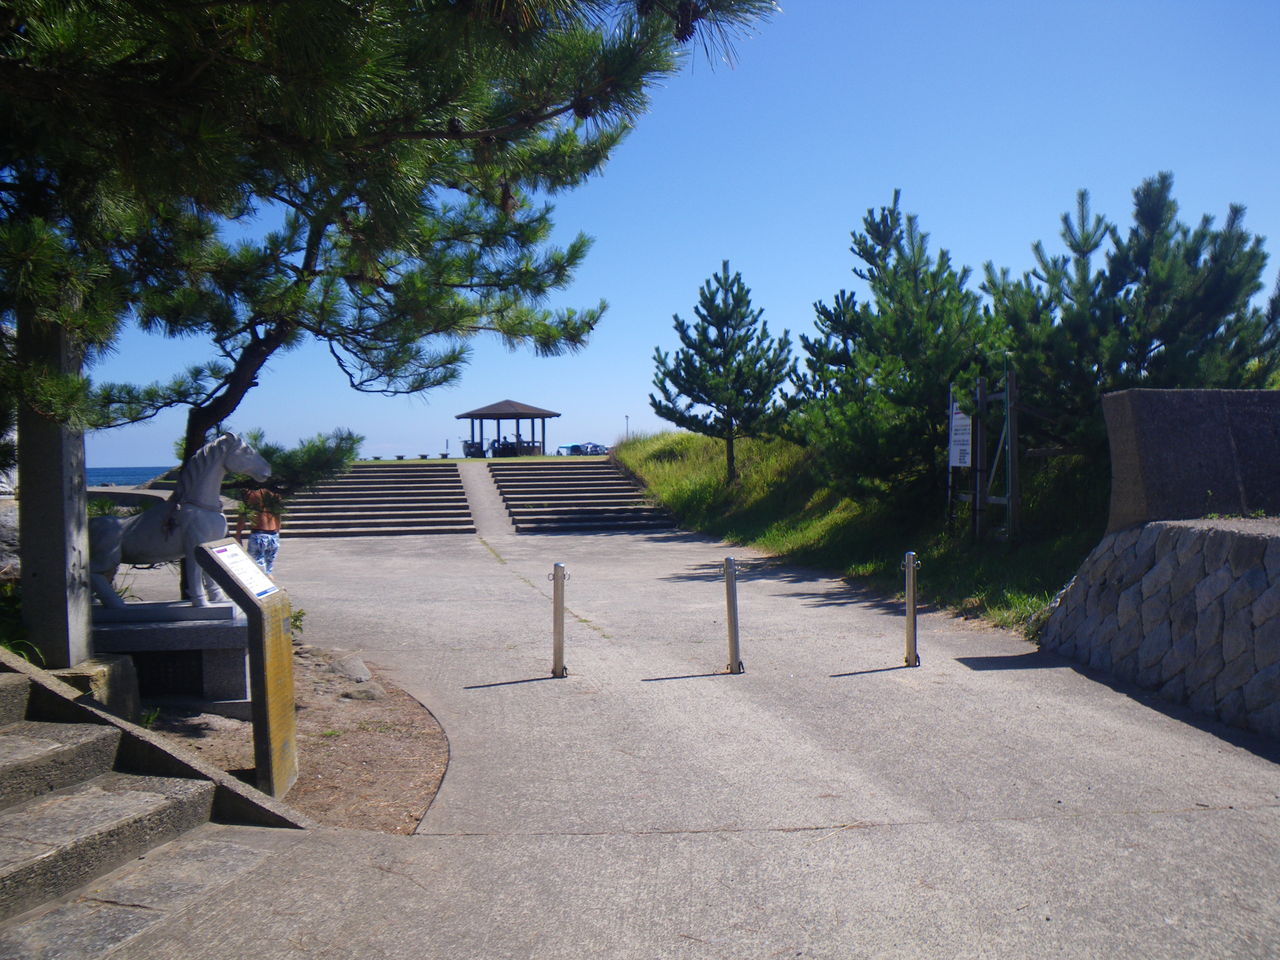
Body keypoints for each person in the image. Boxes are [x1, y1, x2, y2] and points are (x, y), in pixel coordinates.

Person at [236, 485, 283, 576]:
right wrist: (277, 533)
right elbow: (278, 515)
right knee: (268, 569)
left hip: (259, 534)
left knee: (256, 569)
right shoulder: (273, 492)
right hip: (273, 534)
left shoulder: (250, 493)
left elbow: (243, 516)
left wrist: (238, 535)